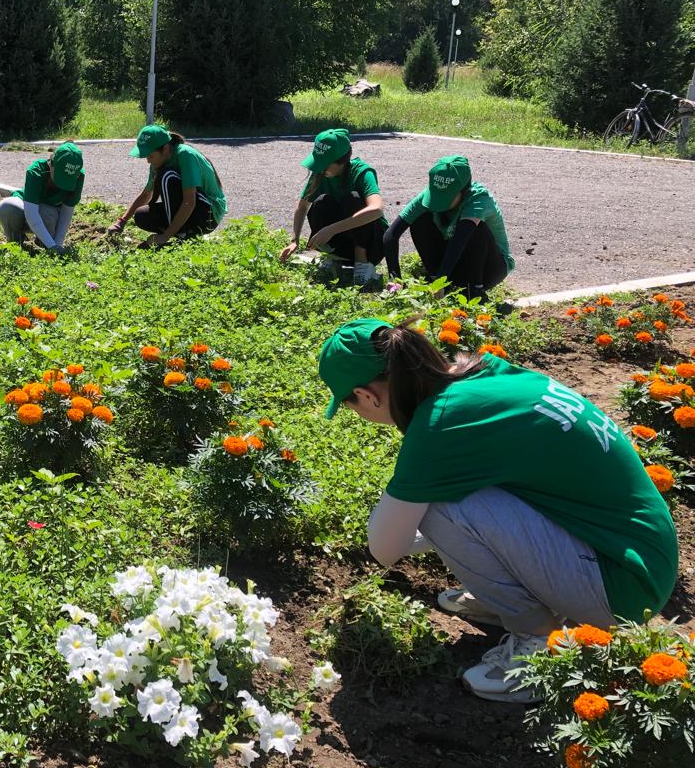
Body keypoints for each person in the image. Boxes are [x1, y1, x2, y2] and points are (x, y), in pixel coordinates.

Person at [318, 318, 677, 702]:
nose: (360, 414)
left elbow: (384, 549)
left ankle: (539, 642)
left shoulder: (440, 424)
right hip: (640, 555)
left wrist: (411, 528)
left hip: (620, 588)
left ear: (367, 395)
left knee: (439, 504)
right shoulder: (484, 372)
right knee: (441, 501)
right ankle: (516, 596)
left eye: (351, 406)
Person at [382, 155, 513, 300]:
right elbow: (391, 234)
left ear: (464, 190)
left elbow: (459, 242)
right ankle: (437, 280)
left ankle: (474, 290)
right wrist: (395, 279)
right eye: (437, 195)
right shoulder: (429, 195)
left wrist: (441, 281)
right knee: (420, 218)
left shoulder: (479, 199)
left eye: (446, 197)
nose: (439, 202)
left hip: (490, 268)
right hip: (453, 263)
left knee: (477, 228)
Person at [280, 129, 386, 288]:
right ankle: (335, 257)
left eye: (325, 164)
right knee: (321, 203)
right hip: (344, 243)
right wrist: (294, 240)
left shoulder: (363, 172)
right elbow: (302, 207)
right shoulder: (320, 175)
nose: (320, 169)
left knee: (353, 199)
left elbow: (377, 209)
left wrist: (331, 229)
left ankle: (363, 266)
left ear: (342, 160)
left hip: (373, 246)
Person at [110, 126, 226, 248]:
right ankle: (183, 234)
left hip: (208, 214)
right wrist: (121, 222)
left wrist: (165, 236)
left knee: (167, 176)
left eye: (150, 156)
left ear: (165, 149)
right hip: (192, 210)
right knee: (141, 215)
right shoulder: (158, 162)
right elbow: (146, 194)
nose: (148, 161)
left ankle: (181, 235)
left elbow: (189, 202)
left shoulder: (185, 154)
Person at [0, 142, 84, 255]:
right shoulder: (37, 171)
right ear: (52, 163)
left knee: (46, 213)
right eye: (61, 176)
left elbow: (66, 216)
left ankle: (43, 246)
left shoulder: (79, 176)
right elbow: (31, 213)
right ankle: (16, 244)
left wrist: (57, 245)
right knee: (6, 207)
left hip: (50, 216)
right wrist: (52, 246)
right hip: (26, 209)